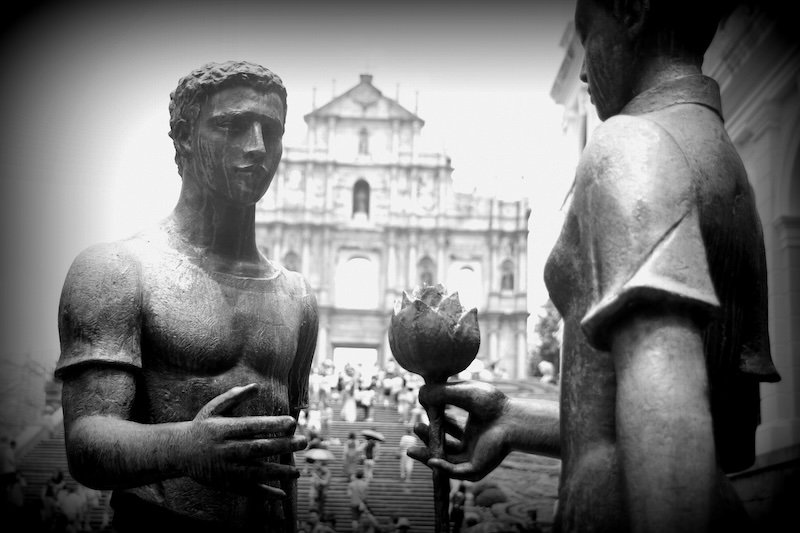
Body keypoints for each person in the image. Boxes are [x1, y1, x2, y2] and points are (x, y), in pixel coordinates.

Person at [409, 2, 780, 532]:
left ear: (631, 11)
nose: (582, 71)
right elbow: (728, 437)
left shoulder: (629, 145)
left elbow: (669, 431)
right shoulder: (727, 167)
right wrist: (516, 421)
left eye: (588, 38)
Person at [55, 61, 317, 532]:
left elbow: (281, 457)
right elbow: (85, 444)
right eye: (231, 125)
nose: (257, 147)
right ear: (184, 137)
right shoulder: (117, 269)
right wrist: (184, 448)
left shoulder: (297, 296)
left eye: (270, 131)